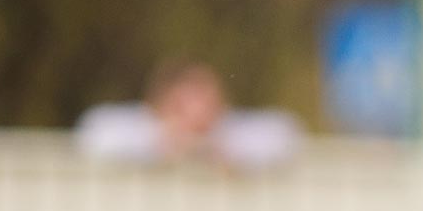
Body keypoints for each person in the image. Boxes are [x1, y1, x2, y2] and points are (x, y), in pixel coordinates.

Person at [76, 60, 299, 171]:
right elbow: (92, 134)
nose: (197, 118)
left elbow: (287, 134)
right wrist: (162, 143)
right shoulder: (144, 128)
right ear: (159, 106)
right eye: (182, 108)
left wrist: (223, 149)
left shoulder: (226, 131)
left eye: (208, 105)